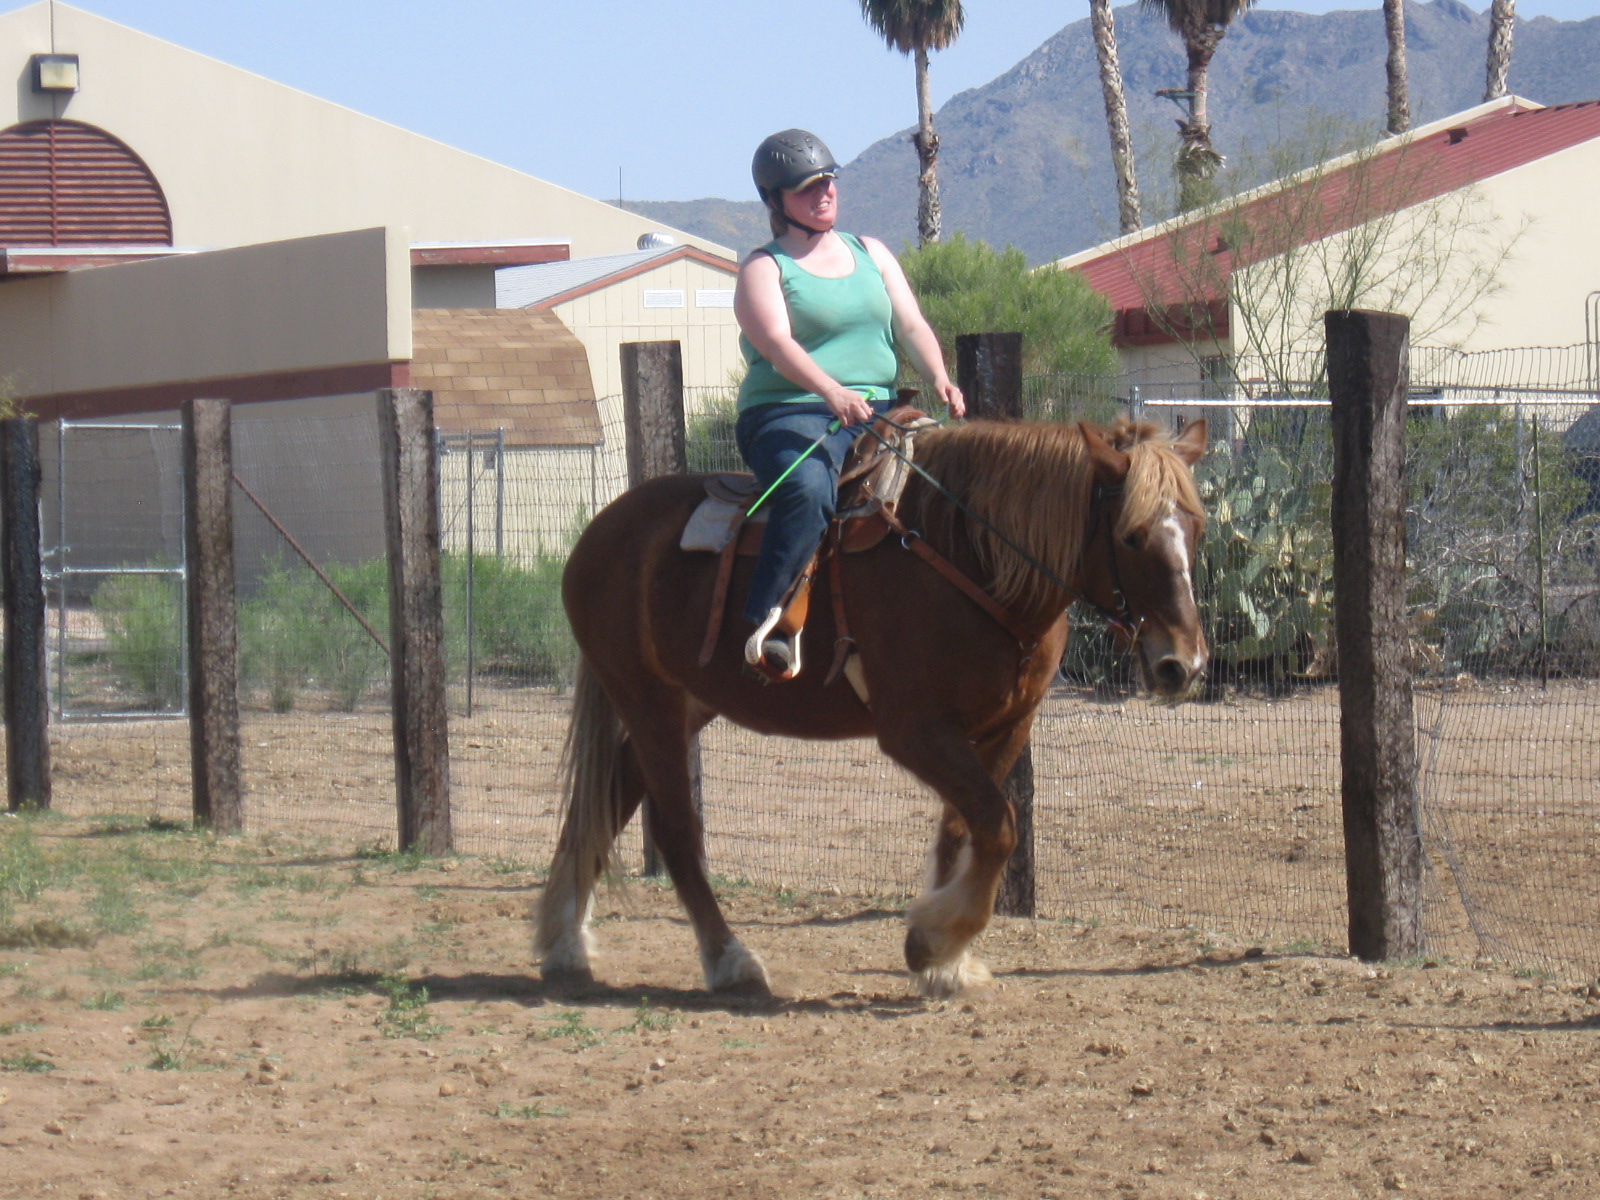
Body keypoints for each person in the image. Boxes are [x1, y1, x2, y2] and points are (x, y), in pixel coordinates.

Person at [733, 128, 965, 678]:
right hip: (788, 413)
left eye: (829, 181)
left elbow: (909, 323)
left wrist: (940, 376)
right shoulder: (764, 268)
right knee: (809, 489)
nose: (824, 194)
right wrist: (831, 392)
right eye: (807, 187)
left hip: (878, 411)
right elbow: (776, 343)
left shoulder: (872, 252)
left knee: (952, 475)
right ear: (775, 201)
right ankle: (773, 621)